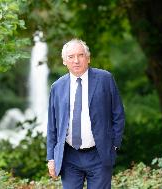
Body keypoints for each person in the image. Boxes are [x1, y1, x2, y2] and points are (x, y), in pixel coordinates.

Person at [46, 38, 125, 189]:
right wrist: (51, 157)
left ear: (88, 58)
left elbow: (118, 114)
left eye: (80, 55)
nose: (76, 60)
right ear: (64, 61)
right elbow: (52, 125)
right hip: (69, 157)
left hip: (99, 154)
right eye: (71, 57)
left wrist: (114, 145)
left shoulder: (105, 79)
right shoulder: (57, 87)